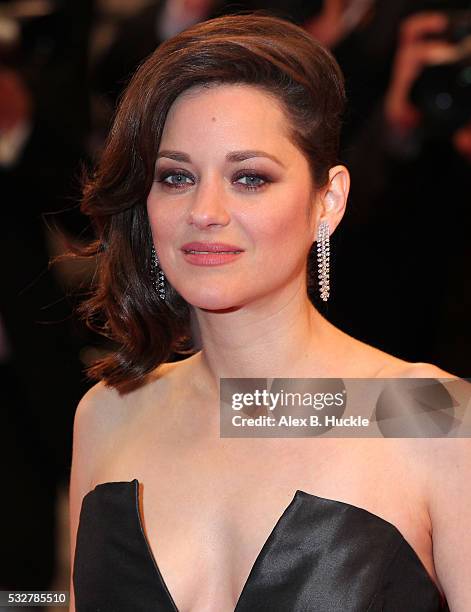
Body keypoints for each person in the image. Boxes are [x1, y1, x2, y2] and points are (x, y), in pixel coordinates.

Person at [68, 12, 470, 611]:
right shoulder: (107, 414)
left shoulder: (428, 415)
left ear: (327, 201)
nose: (205, 210)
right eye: (176, 177)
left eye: (249, 178)